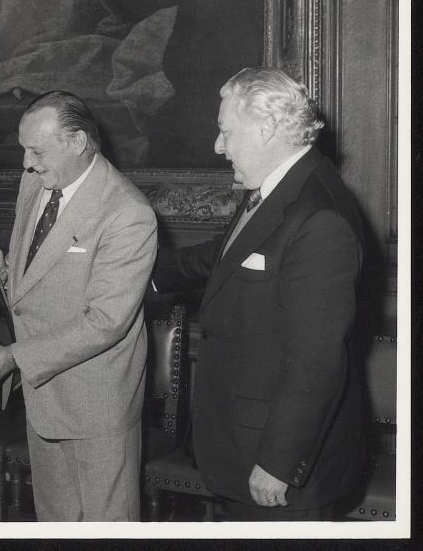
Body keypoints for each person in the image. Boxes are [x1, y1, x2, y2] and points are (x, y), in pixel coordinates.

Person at [152, 67, 366, 520]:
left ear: (266, 129)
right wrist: (134, 272)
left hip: (279, 467)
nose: (218, 146)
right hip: (241, 441)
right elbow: (223, 257)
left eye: (226, 132)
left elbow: (316, 360)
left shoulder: (317, 217)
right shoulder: (279, 188)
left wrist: (278, 463)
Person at [0, 91, 157, 521]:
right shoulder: (36, 182)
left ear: (78, 142)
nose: (27, 163)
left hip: (95, 406)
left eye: (36, 151)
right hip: (41, 399)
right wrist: (4, 277)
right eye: (24, 150)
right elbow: (39, 277)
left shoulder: (128, 213)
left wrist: (14, 357)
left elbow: (106, 322)